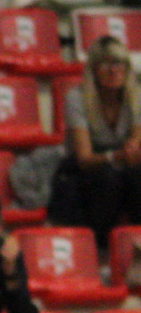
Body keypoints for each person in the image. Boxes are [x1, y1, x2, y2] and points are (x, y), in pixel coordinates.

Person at [50, 35, 141, 246]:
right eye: (106, 64)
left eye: (119, 63)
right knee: (109, 179)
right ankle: (98, 248)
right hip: (85, 169)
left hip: (122, 164)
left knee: (138, 175)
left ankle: (136, 243)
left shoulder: (136, 95)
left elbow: (137, 137)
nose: (113, 70)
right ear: (93, 70)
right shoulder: (77, 98)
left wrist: (133, 148)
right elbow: (83, 158)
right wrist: (116, 156)